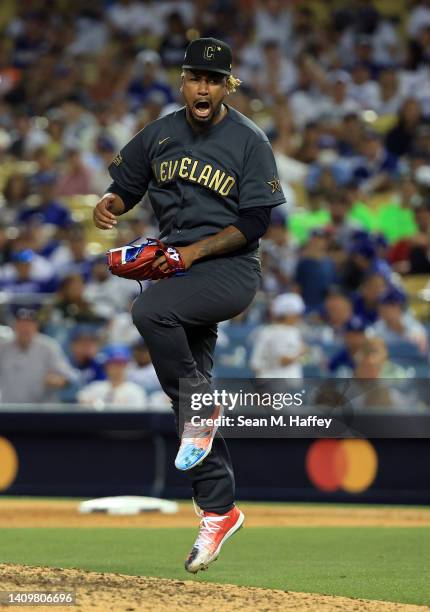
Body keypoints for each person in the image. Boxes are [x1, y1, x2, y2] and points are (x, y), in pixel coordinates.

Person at [92, 38, 285, 573]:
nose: (204, 87)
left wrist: (190, 253)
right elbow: (123, 187)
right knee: (187, 392)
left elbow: (255, 222)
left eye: (214, 79)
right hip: (175, 270)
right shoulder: (159, 134)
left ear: (227, 86)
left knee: (150, 313)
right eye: (196, 77)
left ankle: (202, 414)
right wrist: (109, 205)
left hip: (227, 271)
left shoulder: (248, 140)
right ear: (183, 81)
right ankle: (219, 510)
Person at [0, 308, 76, 403]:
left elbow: (69, 377)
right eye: (21, 324)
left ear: (36, 326)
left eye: (29, 324)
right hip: (11, 408)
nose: (25, 328)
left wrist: (58, 380)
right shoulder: (3, 347)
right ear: (15, 325)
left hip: (41, 410)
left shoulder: (49, 346)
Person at [250, 293, 306, 379]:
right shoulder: (284, 332)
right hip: (279, 384)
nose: (298, 318)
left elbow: (255, 364)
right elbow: (282, 360)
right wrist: (301, 352)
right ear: (289, 314)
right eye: (297, 314)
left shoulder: (267, 331)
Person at [77, 344, 147, 409]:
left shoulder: (135, 391)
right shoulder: (95, 388)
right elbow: (80, 399)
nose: (117, 368)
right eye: (113, 363)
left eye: (120, 364)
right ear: (105, 365)